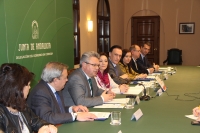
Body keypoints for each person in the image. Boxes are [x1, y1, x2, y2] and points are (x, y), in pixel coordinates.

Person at [27, 62, 97, 125]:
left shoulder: (56, 87)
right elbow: (47, 117)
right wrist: (75, 116)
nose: (67, 80)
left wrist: (72, 109)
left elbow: (57, 110)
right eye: (65, 77)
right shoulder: (40, 92)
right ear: (55, 80)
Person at [0, 63, 57, 133]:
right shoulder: (1, 115)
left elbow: (37, 122)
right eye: (28, 85)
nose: (29, 88)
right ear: (18, 88)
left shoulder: (22, 106)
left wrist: (47, 126)